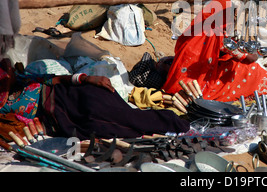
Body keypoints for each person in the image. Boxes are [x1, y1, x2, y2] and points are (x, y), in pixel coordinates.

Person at [0, 58, 190, 140]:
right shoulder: (4, 109)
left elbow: (57, 79)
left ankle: (171, 122)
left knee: (116, 111)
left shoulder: (26, 79)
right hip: (61, 117)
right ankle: (168, 124)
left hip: (72, 94)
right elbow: (20, 129)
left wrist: (87, 78)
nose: (12, 75)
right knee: (102, 126)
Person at [161, 0, 267, 102]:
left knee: (230, 62)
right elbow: (250, 58)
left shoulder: (193, 30)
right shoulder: (218, 36)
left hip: (176, 83)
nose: (232, 20)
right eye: (231, 16)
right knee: (246, 70)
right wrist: (249, 49)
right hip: (197, 89)